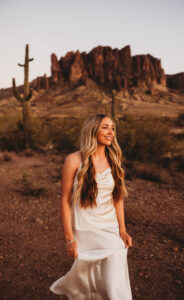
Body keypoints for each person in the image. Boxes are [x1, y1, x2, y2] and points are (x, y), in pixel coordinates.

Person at [50, 113, 133, 299]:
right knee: (92, 278)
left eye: (113, 128)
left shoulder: (114, 160)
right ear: (92, 130)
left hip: (110, 228)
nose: (111, 132)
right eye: (105, 127)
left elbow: (117, 198)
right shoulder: (74, 160)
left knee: (115, 268)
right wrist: (69, 238)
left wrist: (122, 229)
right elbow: (64, 200)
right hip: (86, 228)